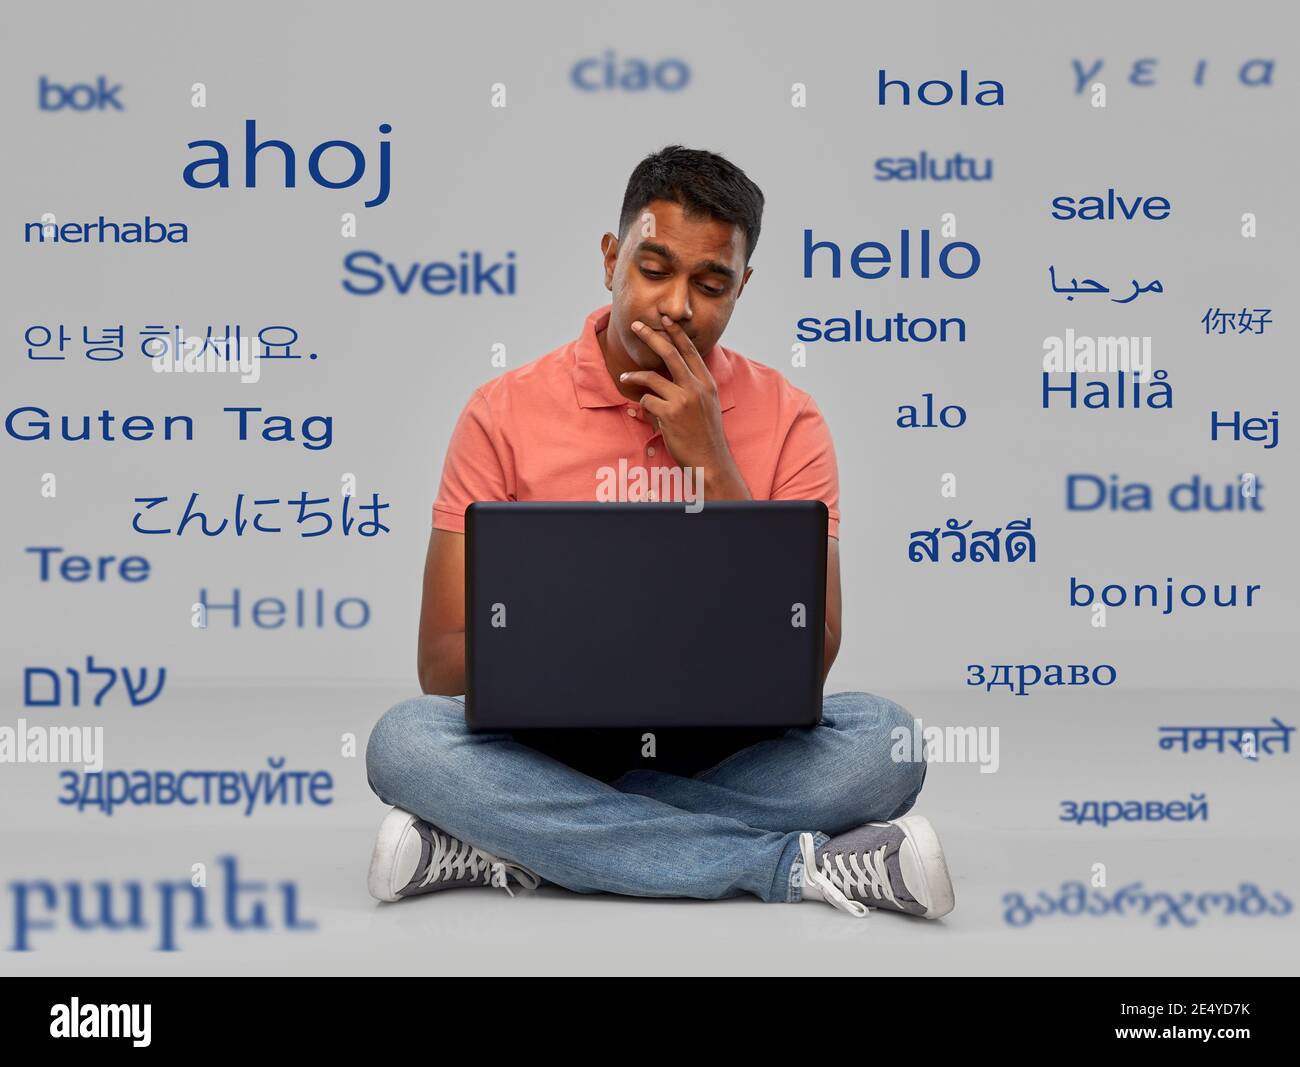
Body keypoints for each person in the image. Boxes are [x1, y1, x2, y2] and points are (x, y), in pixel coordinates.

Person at [364, 145, 955, 919]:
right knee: (405, 740)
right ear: (611, 259)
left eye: (710, 284)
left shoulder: (792, 420)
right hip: (542, 744)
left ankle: (518, 836)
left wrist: (713, 461)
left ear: (742, 288)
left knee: (886, 740)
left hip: (728, 750)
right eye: (653, 269)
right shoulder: (500, 412)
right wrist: (601, 633)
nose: (677, 305)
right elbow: (440, 664)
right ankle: (787, 864)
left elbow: (812, 651)